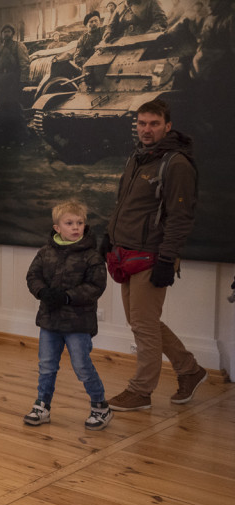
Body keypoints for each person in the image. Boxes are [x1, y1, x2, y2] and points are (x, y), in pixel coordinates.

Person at [104, 98, 207, 411]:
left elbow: (181, 217)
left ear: (168, 126)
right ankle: (189, 369)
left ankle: (141, 391)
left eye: (153, 124)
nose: (146, 130)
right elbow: (125, 204)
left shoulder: (176, 164)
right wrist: (109, 237)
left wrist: (166, 258)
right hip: (126, 253)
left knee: (144, 326)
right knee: (142, 323)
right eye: (141, 123)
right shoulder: (139, 157)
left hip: (152, 256)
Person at [23, 200, 112, 430]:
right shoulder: (45, 252)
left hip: (78, 323)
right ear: (57, 227)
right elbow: (33, 276)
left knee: (82, 365)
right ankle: (42, 405)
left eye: (80, 223)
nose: (76, 227)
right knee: (47, 365)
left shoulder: (92, 256)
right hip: (50, 321)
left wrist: (67, 297)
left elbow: (95, 286)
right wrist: (43, 291)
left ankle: (100, 406)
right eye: (69, 223)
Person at [0, 24, 30, 104]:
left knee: (13, 102)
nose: (6, 34)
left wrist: (23, 80)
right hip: (0, 79)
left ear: (12, 34)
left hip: (13, 78)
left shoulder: (18, 46)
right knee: (1, 102)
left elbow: (24, 64)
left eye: (8, 31)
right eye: (4, 32)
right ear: (1, 34)